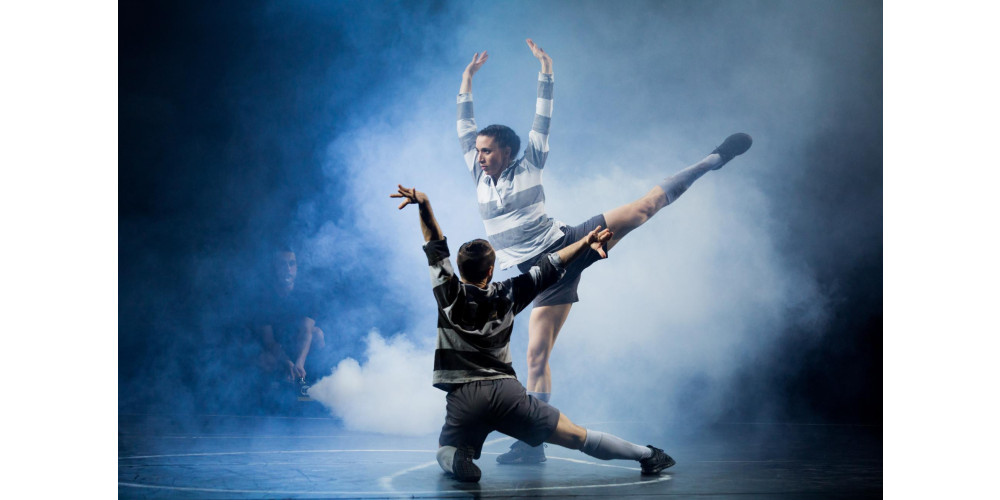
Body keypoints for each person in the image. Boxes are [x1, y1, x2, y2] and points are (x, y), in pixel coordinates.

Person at [456, 39, 752, 463]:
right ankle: (533, 446)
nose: (480, 156)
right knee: (536, 356)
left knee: (645, 207)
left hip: (569, 243)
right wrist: (467, 78)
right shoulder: (477, 171)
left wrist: (546, 70)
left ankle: (713, 159)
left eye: (487, 150)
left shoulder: (530, 162)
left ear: (506, 152)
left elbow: (543, 118)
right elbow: (464, 124)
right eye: (479, 151)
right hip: (540, 274)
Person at [391, 185, 676, 483]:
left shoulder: (448, 294)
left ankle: (459, 458)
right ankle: (647, 454)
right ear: (490, 271)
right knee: (577, 436)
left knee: (445, 450)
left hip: (464, 398)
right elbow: (552, 264)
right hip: (507, 394)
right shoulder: (509, 292)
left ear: (459, 269)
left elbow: (435, 244)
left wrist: (424, 205)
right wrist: (584, 242)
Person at [251, 247, 328, 388]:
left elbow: (306, 331)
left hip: (298, 344)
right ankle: (275, 386)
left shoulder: (306, 294)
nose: (288, 269)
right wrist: (287, 362)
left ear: (296, 267)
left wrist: (299, 362)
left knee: (317, 334)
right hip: (277, 349)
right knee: (263, 359)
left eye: (292, 264)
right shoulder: (264, 298)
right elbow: (269, 340)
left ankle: (316, 380)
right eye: (282, 264)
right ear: (274, 268)